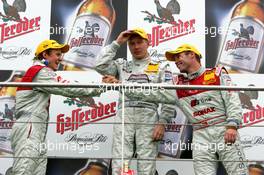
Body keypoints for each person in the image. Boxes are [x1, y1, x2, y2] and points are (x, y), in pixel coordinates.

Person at [116, 44, 249, 175]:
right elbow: (149, 92)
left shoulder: (216, 73)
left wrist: (232, 125)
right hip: (200, 134)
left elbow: (232, 99)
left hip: (223, 129)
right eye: (174, 60)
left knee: (239, 172)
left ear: (192, 54)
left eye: (179, 56)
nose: (176, 62)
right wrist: (120, 85)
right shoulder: (177, 85)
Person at [10, 39, 103, 175]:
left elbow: (69, 87)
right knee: (23, 171)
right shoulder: (40, 71)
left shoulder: (41, 72)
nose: (60, 59)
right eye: (57, 54)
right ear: (45, 55)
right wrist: (100, 86)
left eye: (61, 55)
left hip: (35, 128)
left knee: (36, 172)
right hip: (29, 127)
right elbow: (67, 89)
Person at [95, 28, 175, 175]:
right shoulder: (121, 65)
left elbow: (169, 97)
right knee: (120, 161)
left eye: (140, 42)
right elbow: (99, 65)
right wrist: (117, 42)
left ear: (148, 43)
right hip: (124, 115)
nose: (136, 47)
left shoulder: (162, 66)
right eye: (132, 43)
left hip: (148, 115)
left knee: (146, 163)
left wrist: (162, 122)